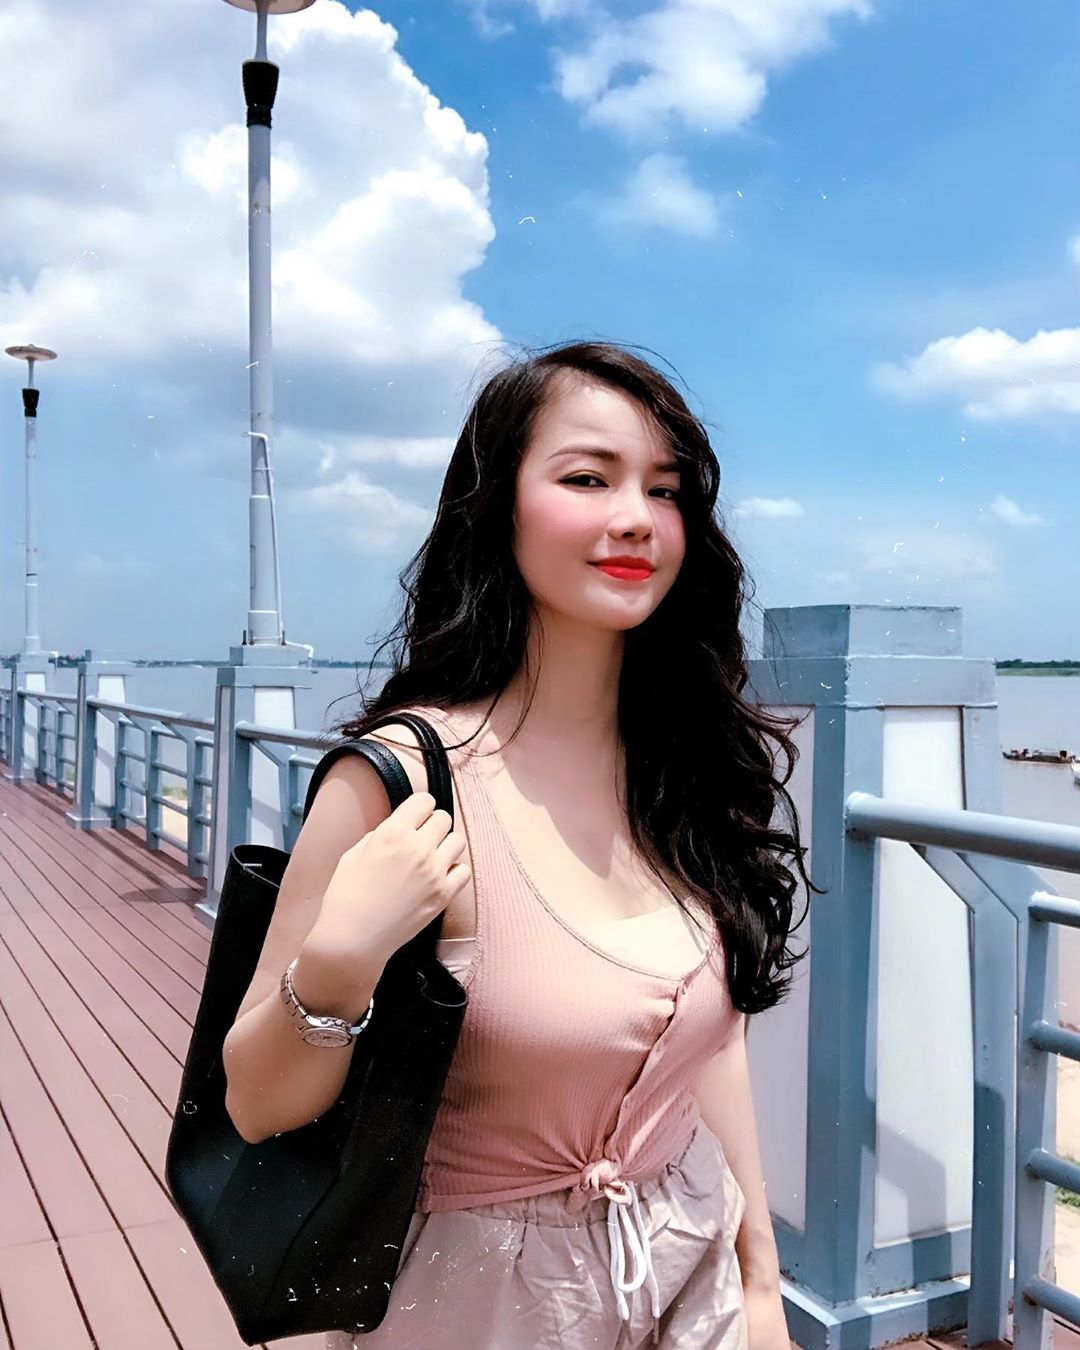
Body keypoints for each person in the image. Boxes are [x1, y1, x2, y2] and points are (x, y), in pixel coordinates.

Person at [222, 340, 816, 1349]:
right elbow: (255, 1106)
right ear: (497, 505)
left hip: (690, 1267)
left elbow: (711, 1046)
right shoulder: (401, 782)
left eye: (665, 490)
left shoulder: (685, 768)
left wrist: (761, 1285)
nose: (637, 517)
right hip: (480, 1303)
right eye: (587, 478)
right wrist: (340, 959)